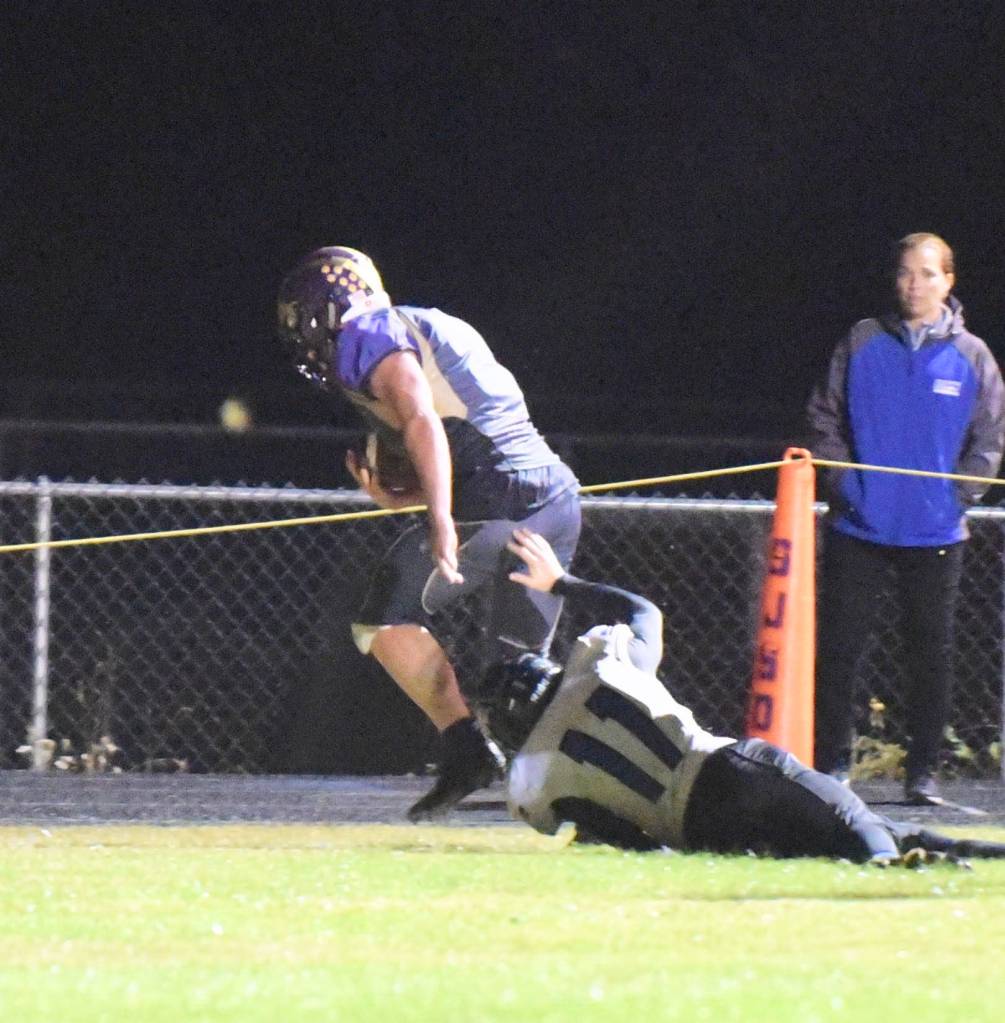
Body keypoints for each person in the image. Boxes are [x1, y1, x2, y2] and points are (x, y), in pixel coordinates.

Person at [276, 246, 581, 820]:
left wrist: (439, 517)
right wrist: (408, 497)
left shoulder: (367, 333)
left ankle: (468, 752)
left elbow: (421, 419)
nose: (301, 330)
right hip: (549, 495)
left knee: (381, 616)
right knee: (515, 685)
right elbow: (471, 436)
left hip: (504, 496)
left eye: (305, 314)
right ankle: (592, 776)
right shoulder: (418, 325)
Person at [484, 528, 1005, 863]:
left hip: (703, 830)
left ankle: (962, 858)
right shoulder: (595, 665)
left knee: (868, 831)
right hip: (731, 771)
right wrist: (561, 582)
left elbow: (623, 837)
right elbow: (645, 612)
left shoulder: (535, 780)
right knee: (860, 827)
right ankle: (893, 869)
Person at [807, 233, 1005, 804]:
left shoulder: (973, 356)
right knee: (841, 651)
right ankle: (830, 766)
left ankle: (922, 774)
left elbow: (990, 440)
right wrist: (846, 484)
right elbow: (824, 417)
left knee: (930, 655)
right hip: (859, 529)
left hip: (935, 533)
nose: (913, 285)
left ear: (949, 282)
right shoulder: (863, 340)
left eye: (926, 274)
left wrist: (957, 497)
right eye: (904, 273)